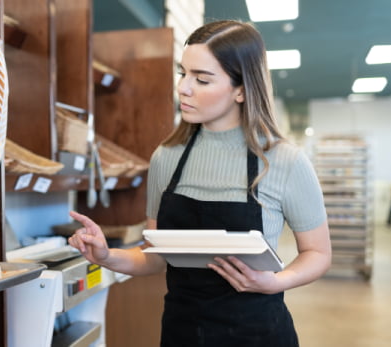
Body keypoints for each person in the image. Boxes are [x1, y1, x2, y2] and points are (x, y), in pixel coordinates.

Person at [68, 20, 331, 347]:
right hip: (183, 331)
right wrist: (107, 256)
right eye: (183, 74)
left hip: (258, 333)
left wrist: (276, 281)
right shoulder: (167, 158)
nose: (184, 88)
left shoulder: (283, 161)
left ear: (241, 90)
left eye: (202, 79)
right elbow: (155, 255)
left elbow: (318, 253)